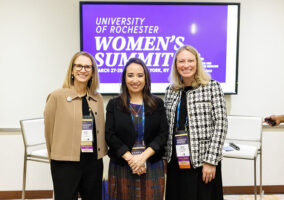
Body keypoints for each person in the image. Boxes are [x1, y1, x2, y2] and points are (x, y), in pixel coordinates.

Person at [164, 45, 228, 200]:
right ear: (176, 65)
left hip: (203, 162)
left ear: (197, 63)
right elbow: (167, 126)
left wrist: (211, 161)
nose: (186, 65)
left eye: (190, 60)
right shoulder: (170, 90)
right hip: (176, 161)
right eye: (181, 61)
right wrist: (165, 158)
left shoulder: (212, 87)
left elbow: (221, 124)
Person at [44, 52, 107, 200]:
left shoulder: (97, 98)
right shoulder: (57, 97)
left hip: (92, 162)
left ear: (92, 72)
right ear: (72, 70)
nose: (83, 70)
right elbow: (49, 132)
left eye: (87, 67)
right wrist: (55, 158)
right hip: (65, 163)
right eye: (79, 66)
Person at [105, 58, 168, 200]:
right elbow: (110, 135)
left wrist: (142, 157)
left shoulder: (157, 103)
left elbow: (163, 134)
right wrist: (132, 159)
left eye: (140, 75)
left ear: (146, 78)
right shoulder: (114, 104)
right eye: (130, 75)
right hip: (122, 165)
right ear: (124, 78)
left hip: (151, 164)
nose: (135, 80)